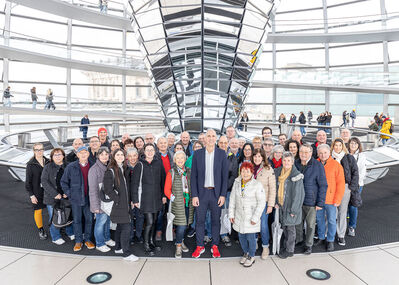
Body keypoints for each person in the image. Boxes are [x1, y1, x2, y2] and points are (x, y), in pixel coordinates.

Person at [191, 129, 228, 258]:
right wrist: (194, 195)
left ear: (216, 138)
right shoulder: (197, 154)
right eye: (208, 136)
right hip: (201, 194)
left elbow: (224, 176)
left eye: (213, 136)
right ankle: (199, 246)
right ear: (205, 139)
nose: (211, 138)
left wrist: (223, 195)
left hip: (216, 194)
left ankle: (215, 246)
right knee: (200, 221)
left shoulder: (222, 154)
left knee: (215, 221)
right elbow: (193, 176)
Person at [103, 149, 139, 261]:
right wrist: (117, 200)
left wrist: (131, 200)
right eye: (117, 155)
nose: (120, 156)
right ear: (113, 157)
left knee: (120, 227)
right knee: (127, 228)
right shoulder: (111, 170)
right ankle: (126, 253)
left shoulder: (124, 169)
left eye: (121, 154)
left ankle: (118, 247)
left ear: (124, 156)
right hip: (119, 204)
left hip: (126, 203)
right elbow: (107, 189)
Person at [131, 144, 166, 256]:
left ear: (155, 151)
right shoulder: (139, 165)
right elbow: (134, 184)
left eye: (152, 150)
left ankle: (151, 242)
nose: (150, 152)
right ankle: (146, 244)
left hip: (156, 198)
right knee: (149, 222)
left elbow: (163, 180)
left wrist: (164, 195)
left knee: (154, 221)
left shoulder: (158, 163)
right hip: (145, 198)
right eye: (148, 150)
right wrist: (135, 199)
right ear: (144, 152)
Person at [229, 162, 265, 267]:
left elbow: (261, 202)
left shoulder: (257, 185)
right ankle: (246, 252)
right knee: (241, 236)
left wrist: (255, 217)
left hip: (251, 217)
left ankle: (252, 255)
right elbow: (232, 199)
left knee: (251, 237)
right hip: (239, 215)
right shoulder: (237, 182)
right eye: (243, 171)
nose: (245, 173)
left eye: (247, 171)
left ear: (251, 172)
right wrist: (231, 214)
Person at [294, 144, 328, 255]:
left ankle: (309, 244)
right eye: (301, 152)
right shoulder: (296, 163)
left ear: (310, 153)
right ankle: (299, 240)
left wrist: (320, 203)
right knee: (298, 223)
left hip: (311, 201)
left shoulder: (317, 165)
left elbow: (323, 185)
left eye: (306, 152)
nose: (303, 154)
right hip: (298, 200)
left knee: (310, 224)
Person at [61, 146, 95, 252]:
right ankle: (78, 241)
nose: (83, 154)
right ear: (77, 155)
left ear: (88, 154)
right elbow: (64, 182)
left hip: (89, 198)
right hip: (76, 198)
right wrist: (70, 194)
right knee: (77, 220)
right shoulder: (71, 167)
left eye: (85, 152)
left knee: (89, 219)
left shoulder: (93, 166)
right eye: (81, 153)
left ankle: (88, 239)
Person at [274, 152, 305, 259]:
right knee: (284, 227)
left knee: (291, 229)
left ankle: (290, 250)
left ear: (292, 162)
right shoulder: (278, 173)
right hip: (281, 205)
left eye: (289, 161)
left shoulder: (296, 176)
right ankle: (286, 246)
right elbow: (275, 189)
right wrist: (276, 202)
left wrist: (294, 211)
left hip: (291, 207)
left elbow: (299, 195)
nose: (286, 163)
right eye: (284, 160)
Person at [315, 144, 345, 252]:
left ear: (329, 153)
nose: (323, 155)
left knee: (332, 220)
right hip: (318, 199)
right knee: (319, 219)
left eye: (325, 153)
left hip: (331, 199)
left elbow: (341, 184)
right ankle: (321, 237)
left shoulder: (336, 165)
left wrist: (338, 199)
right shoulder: (315, 164)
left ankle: (330, 240)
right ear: (318, 153)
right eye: (321, 153)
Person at [164, 151, 194, 258]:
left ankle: (181, 241)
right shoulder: (171, 172)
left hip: (188, 204)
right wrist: (174, 198)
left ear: (185, 160)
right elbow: (167, 190)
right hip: (178, 204)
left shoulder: (189, 171)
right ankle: (178, 246)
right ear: (175, 160)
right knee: (181, 226)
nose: (180, 160)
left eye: (182, 158)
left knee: (186, 225)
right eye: (178, 158)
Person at [42, 148, 74, 244]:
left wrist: (68, 192)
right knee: (55, 217)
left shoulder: (69, 166)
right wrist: (55, 194)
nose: (58, 156)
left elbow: (73, 180)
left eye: (59, 154)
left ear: (63, 156)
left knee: (68, 215)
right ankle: (55, 237)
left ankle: (70, 232)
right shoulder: (47, 167)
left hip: (66, 196)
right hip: (52, 198)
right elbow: (44, 182)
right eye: (55, 155)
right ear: (52, 157)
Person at [331, 138, 359, 247]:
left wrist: (351, 187)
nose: (337, 147)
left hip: (345, 187)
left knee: (342, 212)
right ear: (333, 146)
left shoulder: (349, 158)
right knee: (332, 211)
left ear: (343, 146)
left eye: (340, 145)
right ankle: (331, 233)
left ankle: (341, 235)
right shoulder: (330, 158)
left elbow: (355, 173)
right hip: (332, 188)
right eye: (336, 145)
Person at [88, 147, 115, 252]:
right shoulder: (94, 170)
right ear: (98, 156)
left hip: (108, 201)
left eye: (106, 154)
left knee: (107, 221)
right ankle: (99, 243)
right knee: (100, 222)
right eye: (102, 154)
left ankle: (107, 238)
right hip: (100, 202)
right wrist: (95, 207)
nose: (104, 156)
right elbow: (93, 190)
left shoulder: (108, 166)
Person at [252, 148, 276, 259]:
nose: (257, 158)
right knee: (252, 223)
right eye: (255, 156)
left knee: (263, 225)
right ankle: (254, 241)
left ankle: (265, 246)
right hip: (251, 202)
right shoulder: (248, 167)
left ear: (263, 158)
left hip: (263, 202)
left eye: (259, 156)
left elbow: (272, 188)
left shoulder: (268, 169)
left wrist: (270, 205)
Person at [26, 143, 49, 240]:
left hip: (49, 191)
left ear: (43, 150)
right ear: (34, 151)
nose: (39, 152)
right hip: (37, 192)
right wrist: (32, 195)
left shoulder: (49, 161)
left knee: (53, 209)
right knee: (38, 211)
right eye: (37, 150)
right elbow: (28, 182)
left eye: (41, 149)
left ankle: (56, 227)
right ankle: (41, 229)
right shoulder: (30, 164)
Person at [218, 135, 239, 247]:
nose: (223, 145)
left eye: (225, 143)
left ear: (228, 144)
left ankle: (224, 234)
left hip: (227, 190)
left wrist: (224, 188)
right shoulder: (214, 155)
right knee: (213, 213)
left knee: (225, 212)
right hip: (215, 190)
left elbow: (234, 175)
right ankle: (212, 233)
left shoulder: (232, 157)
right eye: (221, 143)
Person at [155, 137, 173, 241]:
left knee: (172, 210)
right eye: (160, 143)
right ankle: (159, 230)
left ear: (168, 144)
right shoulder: (155, 156)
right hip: (159, 187)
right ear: (157, 145)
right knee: (161, 211)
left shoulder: (172, 155)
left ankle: (172, 230)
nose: (162, 145)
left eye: (164, 143)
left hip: (171, 187)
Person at [347, 137, 366, 237]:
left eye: (355, 143)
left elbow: (362, 172)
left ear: (358, 145)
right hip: (346, 185)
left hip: (357, 185)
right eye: (351, 143)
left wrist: (354, 184)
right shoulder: (345, 154)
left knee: (353, 206)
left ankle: (352, 226)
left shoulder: (361, 156)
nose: (353, 145)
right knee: (344, 206)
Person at [126, 148, 144, 244]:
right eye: (130, 156)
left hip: (140, 196)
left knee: (140, 216)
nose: (132, 158)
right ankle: (131, 236)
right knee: (130, 217)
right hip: (129, 197)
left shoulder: (141, 166)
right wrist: (131, 200)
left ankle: (139, 235)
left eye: (134, 155)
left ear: (137, 156)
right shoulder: (125, 168)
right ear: (127, 157)